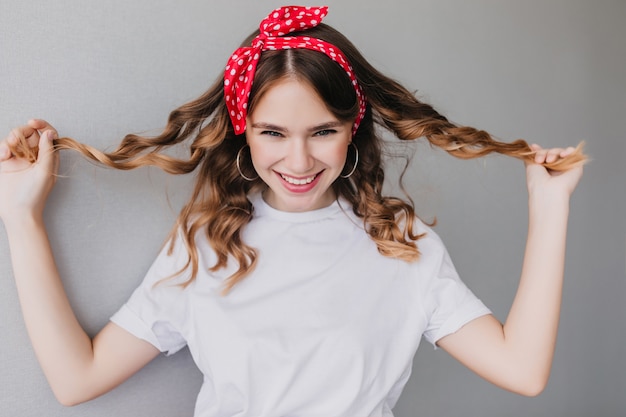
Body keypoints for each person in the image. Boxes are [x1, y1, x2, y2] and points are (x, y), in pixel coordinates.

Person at [0, 5, 585, 417]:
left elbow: (522, 371)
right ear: (243, 131)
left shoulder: (399, 242)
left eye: (323, 131)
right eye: (273, 132)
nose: (299, 159)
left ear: (352, 129)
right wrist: (20, 216)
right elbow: (77, 379)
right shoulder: (206, 243)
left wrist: (550, 205)